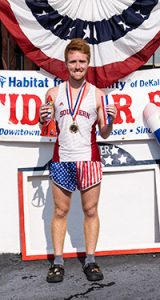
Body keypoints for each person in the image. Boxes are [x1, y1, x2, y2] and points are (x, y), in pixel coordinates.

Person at [39, 38, 117, 283]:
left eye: (82, 61)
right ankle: (58, 263)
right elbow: (47, 128)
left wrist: (111, 120)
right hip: (62, 158)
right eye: (73, 61)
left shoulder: (98, 95)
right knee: (60, 211)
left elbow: (104, 133)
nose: (77, 66)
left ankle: (91, 260)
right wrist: (42, 120)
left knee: (90, 210)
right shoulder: (53, 93)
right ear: (66, 63)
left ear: (88, 64)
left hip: (89, 159)